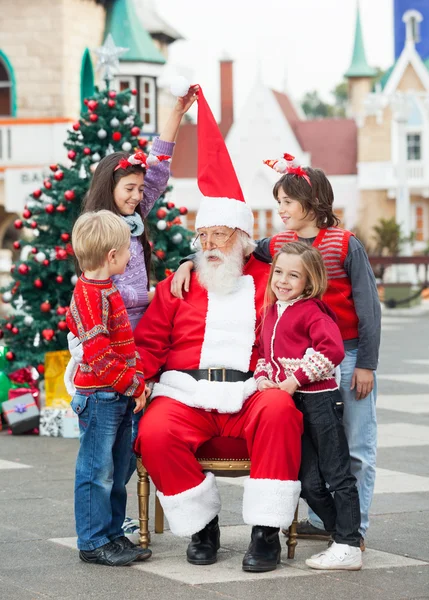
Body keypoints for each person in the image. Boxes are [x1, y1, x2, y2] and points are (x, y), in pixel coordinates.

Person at [133, 85, 303, 573]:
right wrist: (139, 381)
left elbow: (297, 326)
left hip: (251, 393)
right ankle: (201, 528)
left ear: (244, 239)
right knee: (156, 430)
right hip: (188, 395)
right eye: (202, 236)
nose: (209, 244)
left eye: (219, 235)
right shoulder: (180, 283)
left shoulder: (273, 279)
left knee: (279, 410)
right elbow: (149, 343)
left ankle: (266, 532)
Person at [172, 155, 381, 549]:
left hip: (347, 354)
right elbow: (235, 246)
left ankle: (356, 526)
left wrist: (366, 363)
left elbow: (369, 307)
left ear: (312, 201)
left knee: (355, 445)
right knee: (317, 442)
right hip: (300, 364)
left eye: (286, 202)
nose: (280, 209)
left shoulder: (345, 243)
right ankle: (324, 519)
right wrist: (188, 260)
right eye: (279, 202)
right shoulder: (281, 243)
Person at [80, 86, 198, 539]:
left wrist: (174, 113)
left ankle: (113, 520)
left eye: (137, 190)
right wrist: (158, 292)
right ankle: (101, 530)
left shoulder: (135, 217)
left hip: (139, 342)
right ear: (109, 187)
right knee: (104, 449)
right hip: (109, 346)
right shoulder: (98, 230)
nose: (136, 195)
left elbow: (159, 168)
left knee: (127, 445)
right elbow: (105, 294)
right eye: (128, 189)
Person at [256, 241, 362, 570]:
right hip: (290, 406)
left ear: (309, 281)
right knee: (308, 479)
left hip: (320, 402)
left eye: (294, 275)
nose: (283, 280)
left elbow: (331, 350)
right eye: (278, 272)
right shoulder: (272, 311)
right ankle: (343, 536)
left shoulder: (313, 311)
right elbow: (263, 354)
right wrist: (263, 379)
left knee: (337, 473)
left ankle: (348, 542)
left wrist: (295, 379)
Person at [66, 211, 151, 567]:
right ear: (111, 257)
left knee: (116, 470)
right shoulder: (89, 295)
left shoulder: (106, 288)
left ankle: (113, 534)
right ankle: (92, 540)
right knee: (96, 471)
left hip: (115, 394)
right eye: (128, 250)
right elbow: (99, 355)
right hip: (100, 397)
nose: (133, 255)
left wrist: (133, 380)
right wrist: (135, 386)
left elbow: (119, 346)